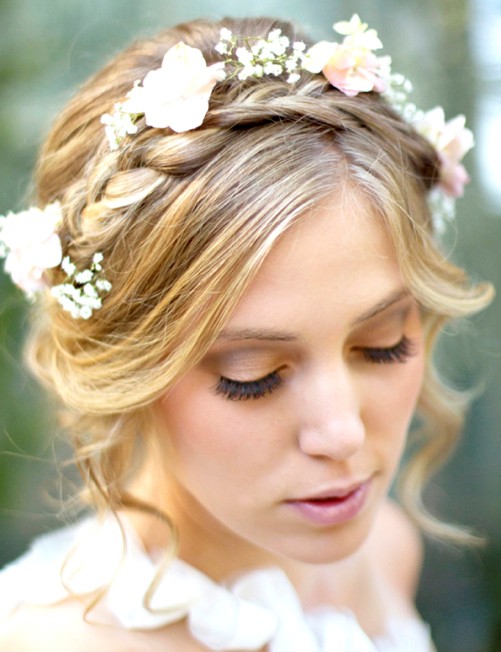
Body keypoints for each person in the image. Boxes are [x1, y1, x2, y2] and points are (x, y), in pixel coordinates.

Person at [0, 13, 494, 652]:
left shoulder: (382, 552)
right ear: (128, 369)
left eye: (384, 343)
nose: (341, 434)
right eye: (252, 376)